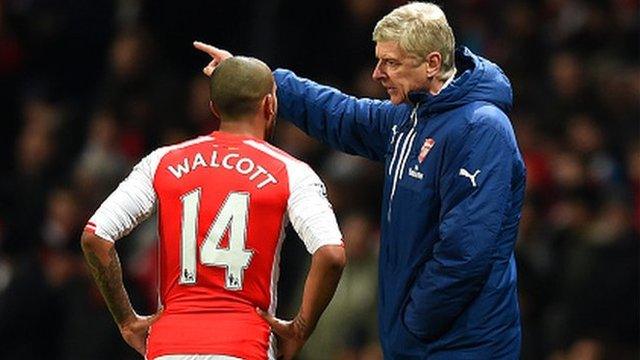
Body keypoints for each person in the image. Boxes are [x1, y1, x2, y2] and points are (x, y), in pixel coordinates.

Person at [194, 2, 526, 358]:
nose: (377, 74)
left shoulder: (481, 128)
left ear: (432, 63)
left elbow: (465, 253)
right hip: (418, 342)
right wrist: (260, 82)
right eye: (379, 60)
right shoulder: (413, 117)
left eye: (391, 63)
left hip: (462, 346)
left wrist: (416, 321)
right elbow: (343, 115)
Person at [81, 56, 346, 360]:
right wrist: (300, 327)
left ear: (214, 109)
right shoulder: (291, 172)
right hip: (243, 345)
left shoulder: (162, 162)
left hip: (168, 346)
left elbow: (95, 237)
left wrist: (127, 321)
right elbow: (331, 254)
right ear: (270, 105)